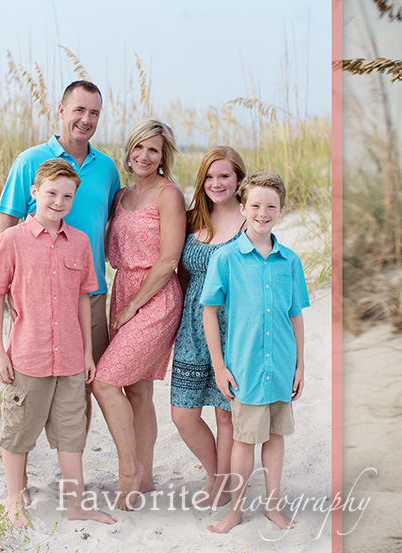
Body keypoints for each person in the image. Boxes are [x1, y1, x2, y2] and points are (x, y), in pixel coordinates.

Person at [0, 159, 115, 529]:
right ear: (35, 193)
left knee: (72, 434)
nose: (59, 201)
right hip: (27, 358)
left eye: (67, 196)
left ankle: (77, 504)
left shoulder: (81, 242)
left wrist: (87, 353)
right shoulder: (13, 240)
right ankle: (14, 496)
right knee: (18, 432)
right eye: (52, 193)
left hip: (70, 359)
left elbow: (84, 299)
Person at [202, 171, 310, 533]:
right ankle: (235, 510)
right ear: (243, 207)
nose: (263, 213)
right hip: (245, 366)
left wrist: (300, 364)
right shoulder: (227, 258)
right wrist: (219, 366)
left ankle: (273, 506)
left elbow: (295, 314)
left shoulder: (290, 261)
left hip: (280, 364)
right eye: (256, 205)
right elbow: (210, 311)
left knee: (276, 436)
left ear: (281, 209)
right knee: (244, 438)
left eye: (271, 206)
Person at [92, 118, 185, 510]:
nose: (145, 155)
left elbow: (168, 260)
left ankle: (127, 471)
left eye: (154, 149)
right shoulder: (122, 196)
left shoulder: (169, 195)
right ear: (129, 152)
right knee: (138, 390)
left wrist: (134, 305)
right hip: (123, 291)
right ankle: (145, 477)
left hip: (156, 299)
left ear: (163, 156)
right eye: (139, 148)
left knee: (105, 381)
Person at [0, 80, 121, 365]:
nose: (86, 120)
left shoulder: (107, 168)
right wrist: (7, 287)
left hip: (90, 294)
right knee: (38, 379)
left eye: (94, 113)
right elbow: (7, 223)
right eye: (79, 110)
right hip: (36, 294)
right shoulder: (30, 161)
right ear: (62, 110)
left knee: (85, 383)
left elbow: (111, 224)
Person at [171, 146, 247, 509]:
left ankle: (223, 484)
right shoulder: (193, 219)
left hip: (231, 330)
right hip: (191, 327)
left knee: (225, 414)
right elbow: (183, 273)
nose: (216, 183)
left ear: (238, 179)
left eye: (225, 176)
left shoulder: (249, 223)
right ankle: (215, 472)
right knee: (183, 413)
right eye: (210, 176)